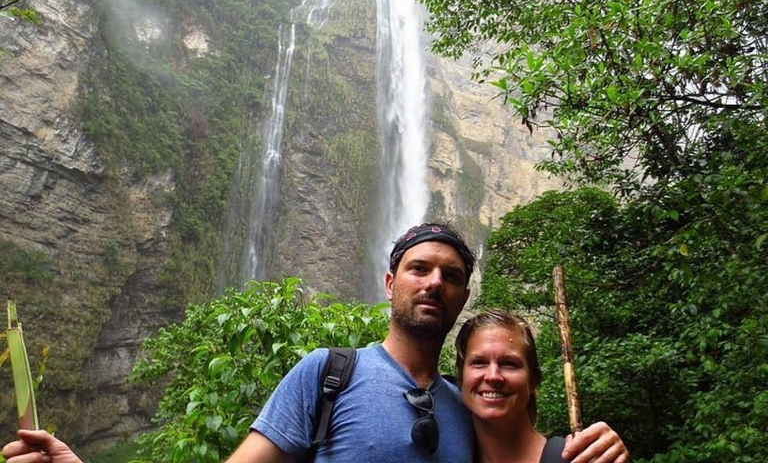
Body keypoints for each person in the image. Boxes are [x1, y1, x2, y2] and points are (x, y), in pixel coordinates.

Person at [3, 223, 625, 463]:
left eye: (452, 275)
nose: (434, 281)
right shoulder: (328, 374)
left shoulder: (473, 410)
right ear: (389, 282)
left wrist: (599, 447)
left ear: (463, 298)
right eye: (419, 268)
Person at [455, 309, 629, 463]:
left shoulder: (579, 457)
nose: (493, 376)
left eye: (509, 364)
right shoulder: (446, 456)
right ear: (460, 379)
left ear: (533, 381)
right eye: (479, 363)